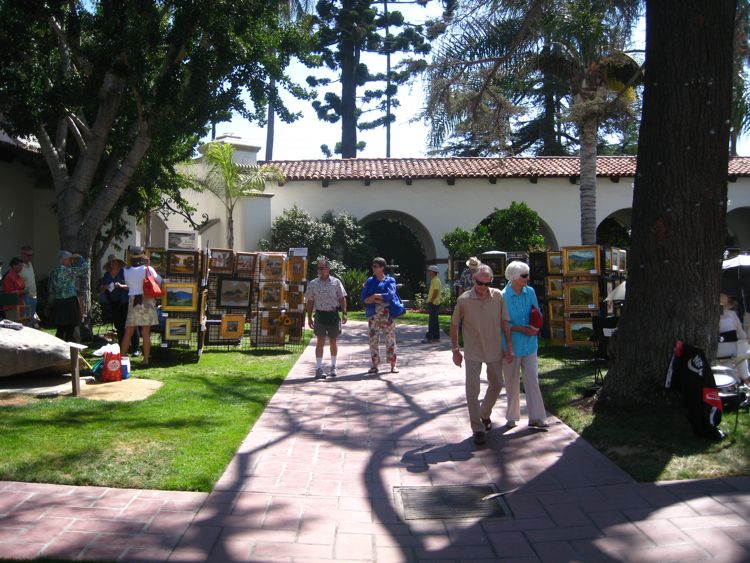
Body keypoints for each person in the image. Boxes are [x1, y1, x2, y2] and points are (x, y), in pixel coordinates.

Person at [450, 263, 513, 445]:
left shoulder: (498, 296)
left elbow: (505, 322)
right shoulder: (464, 300)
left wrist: (509, 344)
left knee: (497, 384)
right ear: (474, 280)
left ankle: (484, 414)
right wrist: (455, 350)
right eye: (480, 282)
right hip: (472, 351)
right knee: (472, 389)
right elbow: (454, 325)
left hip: (494, 349)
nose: (483, 287)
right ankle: (477, 427)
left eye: (487, 283)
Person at [501, 261, 548, 429]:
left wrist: (535, 327)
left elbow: (537, 312)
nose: (527, 279)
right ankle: (512, 417)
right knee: (511, 381)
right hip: (511, 345)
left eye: (527, 275)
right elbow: (502, 322)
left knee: (532, 380)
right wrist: (519, 328)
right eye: (524, 276)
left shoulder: (530, 292)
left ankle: (537, 416)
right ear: (514, 277)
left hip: (530, 344)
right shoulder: (503, 296)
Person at [305, 256, 347, 379]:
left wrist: (344, 313)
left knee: (333, 340)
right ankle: (318, 368)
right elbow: (310, 301)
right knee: (320, 341)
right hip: (320, 315)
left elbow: (342, 298)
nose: (320, 270)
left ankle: (333, 366)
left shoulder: (336, 282)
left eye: (322, 268)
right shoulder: (313, 283)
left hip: (333, 314)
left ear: (328, 269)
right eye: (318, 268)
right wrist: (309, 317)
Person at [361, 257, 404, 375]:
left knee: (390, 339)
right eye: (373, 266)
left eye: (376, 266)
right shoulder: (369, 281)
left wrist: (374, 296)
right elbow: (364, 298)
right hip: (373, 315)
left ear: (382, 268)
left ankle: (393, 365)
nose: (373, 268)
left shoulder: (390, 280)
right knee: (373, 340)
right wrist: (378, 298)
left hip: (387, 314)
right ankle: (374, 365)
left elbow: (390, 295)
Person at [120, 247, 161, 366]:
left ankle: (122, 358)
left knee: (128, 332)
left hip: (133, 300)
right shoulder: (148, 269)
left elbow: (128, 285)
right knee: (145, 332)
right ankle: (146, 359)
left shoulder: (126, 270)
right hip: (147, 299)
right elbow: (158, 281)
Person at [49, 250, 89, 342]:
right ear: (65, 260)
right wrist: (79, 257)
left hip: (58, 302)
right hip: (69, 302)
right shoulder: (68, 271)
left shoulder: (54, 271)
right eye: (70, 259)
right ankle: (69, 350)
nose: (71, 261)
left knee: (60, 329)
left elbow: (50, 287)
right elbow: (85, 267)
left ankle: (57, 348)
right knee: (70, 330)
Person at [99, 255, 130, 350]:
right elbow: (101, 288)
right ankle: (123, 345)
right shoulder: (107, 275)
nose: (114, 264)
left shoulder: (123, 273)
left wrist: (120, 285)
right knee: (118, 324)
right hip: (112, 302)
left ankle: (126, 345)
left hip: (124, 301)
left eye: (115, 262)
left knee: (123, 324)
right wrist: (104, 287)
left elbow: (130, 286)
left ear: (118, 263)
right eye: (112, 262)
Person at [718, 292, 749, 383]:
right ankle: (745, 379)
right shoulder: (732, 314)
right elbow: (742, 335)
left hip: (715, 351)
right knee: (741, 352)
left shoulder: (708, 316)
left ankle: (735, 381)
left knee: (730, 360)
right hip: (731, 351)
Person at [2, 257, 27, 322]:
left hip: (19, 305)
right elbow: (9, 293)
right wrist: (22, 291)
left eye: (22, 266)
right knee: (13, 327)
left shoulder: (18, 275)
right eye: (19, 265)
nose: (21, 267)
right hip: (11, 307)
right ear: (13, 266)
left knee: (21, 326)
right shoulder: (9, 277)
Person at [18, 245, 38, 326]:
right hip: (24, 297)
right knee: (24, 322)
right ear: (22, 254)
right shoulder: (18, 266)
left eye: (32, 255)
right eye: (28, 255)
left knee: (31, 321)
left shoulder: (30, 264)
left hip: (33, 296)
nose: (30, 257)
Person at [423, 265, 442, 343]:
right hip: (435, 302)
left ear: (434, 272)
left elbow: (436, 291)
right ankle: (436, 337)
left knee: (432, 321)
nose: (429, 273)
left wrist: (431, 300)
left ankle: (430, 337)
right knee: (435, 320)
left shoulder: (435, 280)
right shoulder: (435, 280)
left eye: (430, 271)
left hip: (434, 303)